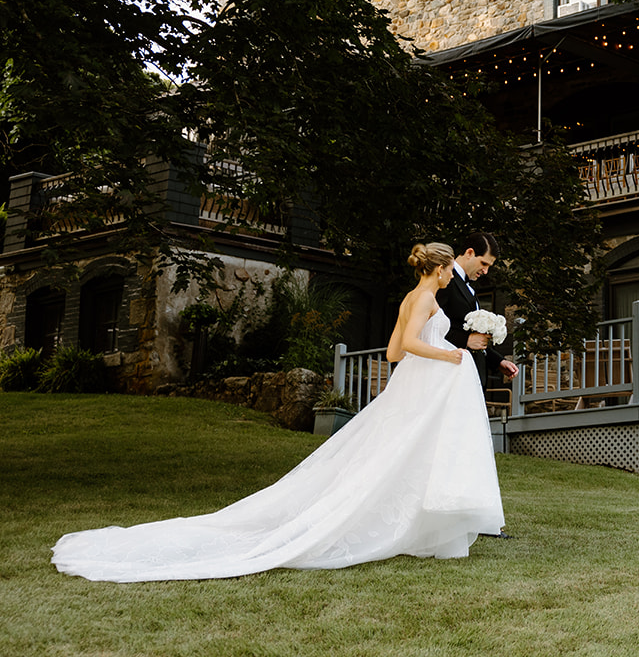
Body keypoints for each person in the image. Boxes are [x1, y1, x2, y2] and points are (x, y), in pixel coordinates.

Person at [52, 243, 505, 582]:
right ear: (442, 267)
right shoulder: (426, 299)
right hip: (426, 382)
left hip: (414, 386)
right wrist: (454, 356)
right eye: (450, 272)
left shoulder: (409, 299)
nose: (451, 279)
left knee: (396, 453)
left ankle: (418, 523)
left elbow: (390, 354)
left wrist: (444, 353)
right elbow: (405, 348)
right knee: (404, 454)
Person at [440, 230, 519, 384]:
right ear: (469, 252)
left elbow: (474, 339)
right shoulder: (445, 280)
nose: (485, 271)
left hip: (470, 376)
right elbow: (430, 325)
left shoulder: (468, 287)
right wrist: (465, 340)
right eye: (484, 263)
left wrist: (498, 361)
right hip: (450, 376)